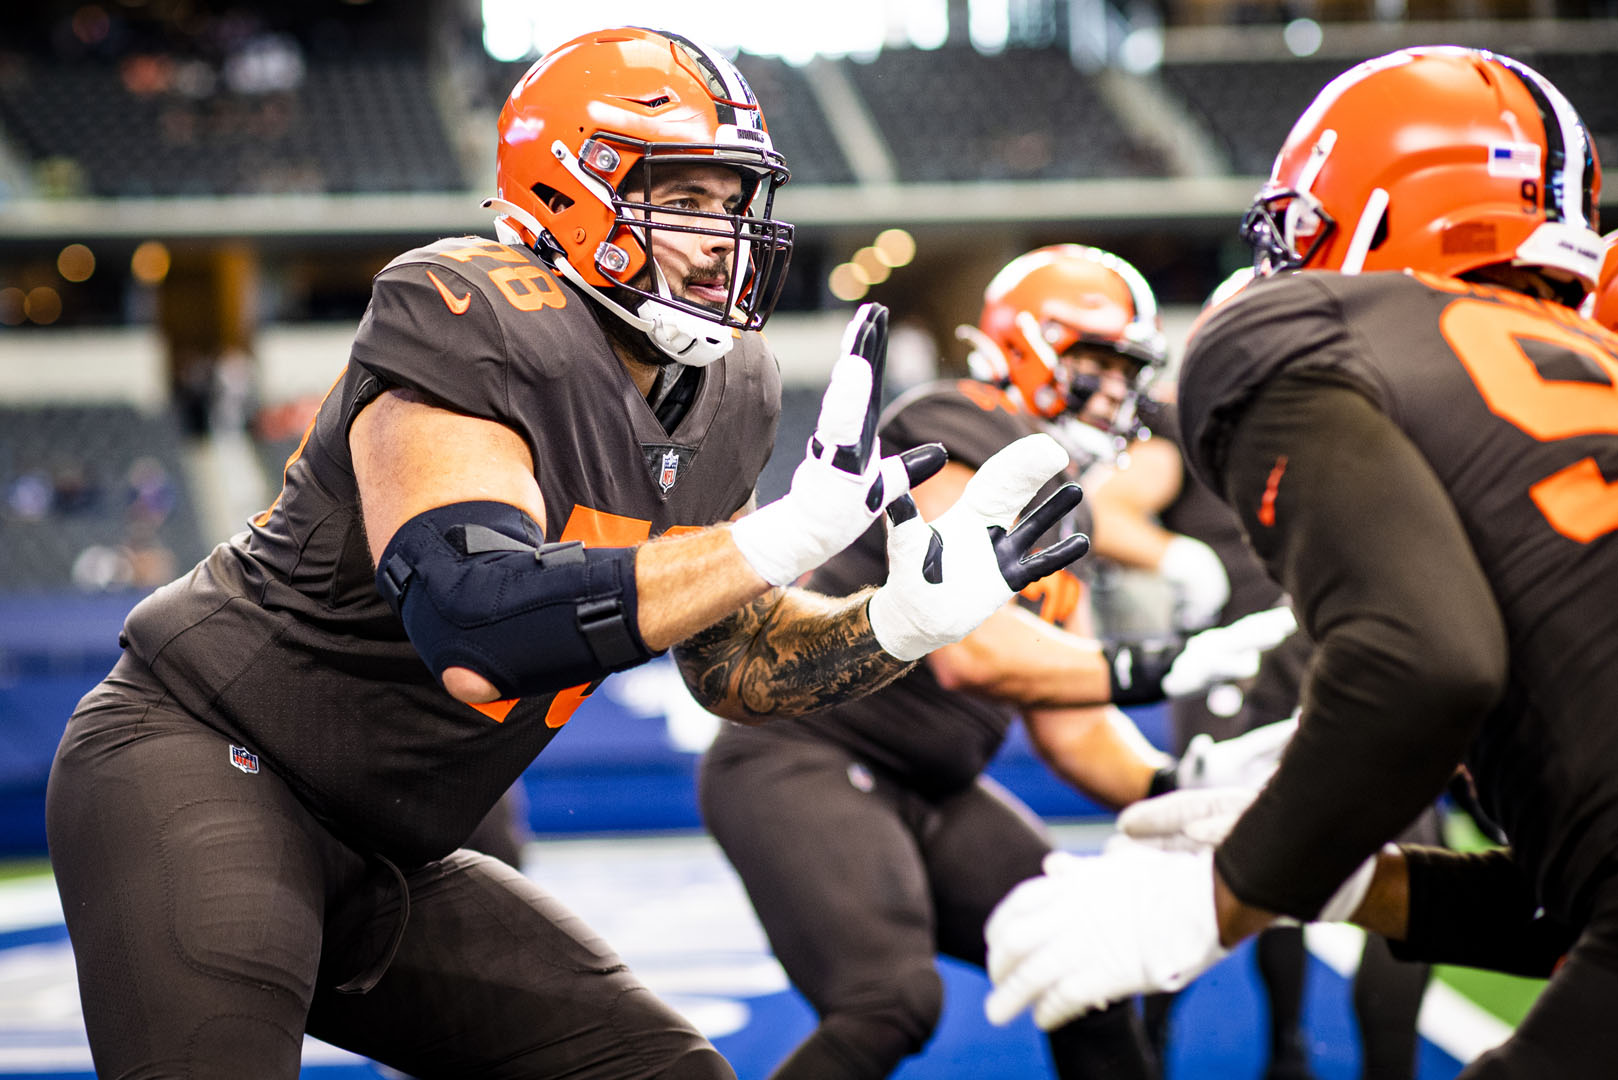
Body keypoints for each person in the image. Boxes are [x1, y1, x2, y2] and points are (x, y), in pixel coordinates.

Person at [45, 28, 1088, 1080]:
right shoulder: (468, 311)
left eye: (734, 204)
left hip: (392, 847)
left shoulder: (734, 388)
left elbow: (732, 663)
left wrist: (895, 623)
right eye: (685, 199)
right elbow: (474, 620)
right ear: (568, 192)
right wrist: (774, 538)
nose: (723, 239)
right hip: (212, 762)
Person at [981, 46, 1618, 1080]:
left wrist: (1218, 896)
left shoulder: (1303, 333)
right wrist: (1347, 879)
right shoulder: (1589, 365)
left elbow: (1424, 664)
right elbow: (1573, 904)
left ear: (1366, 208)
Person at [700, 244, 1297, 1080]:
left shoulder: (1060, 507)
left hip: (930, 783)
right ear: (1028, 346)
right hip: (806, 756)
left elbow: (1073, 728)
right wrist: (1167, 666)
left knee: (1085, 960)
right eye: (1099, 363)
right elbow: (972, 650)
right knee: (889, 1002)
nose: (1118, 391)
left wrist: (1182, 786)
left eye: (1130, 372)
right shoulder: (957, 425)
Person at [1086, 271, 1441, 1080]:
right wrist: (1184, 558)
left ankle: (1340, 1061)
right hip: (1242, 659)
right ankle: (1204, 1049)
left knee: (1413, 858)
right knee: (1209, 850)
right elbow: (1107, 512)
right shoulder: (1192, 419)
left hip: (1352, 643)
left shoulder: (1371, 405)